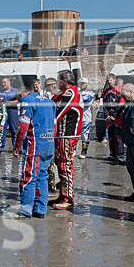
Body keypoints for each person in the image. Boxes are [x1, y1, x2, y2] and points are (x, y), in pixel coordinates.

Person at [12, 81, 55, 219]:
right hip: (49, 142)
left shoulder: (27, 101)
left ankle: (25, 210)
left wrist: (17, 146)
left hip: (36, 144)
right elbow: (54, 125)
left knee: (29, 176)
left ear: (21, 94)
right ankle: (40, 209)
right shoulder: (50, 102)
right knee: (42, 176)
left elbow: (23, 126)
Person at [50, 70, 82, 210]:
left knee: (66, 165)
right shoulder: (63, 94)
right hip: (61, 135)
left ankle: (68, 198)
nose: (57, 83)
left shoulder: (71, 93)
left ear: (64, 81)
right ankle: (62, 195)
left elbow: (58, 112)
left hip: (68, 135)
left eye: (58, 80)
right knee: (60, 165)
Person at [102, 74, 125, 162]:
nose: (109, 82)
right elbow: (104, 105)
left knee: (118, 136)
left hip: (118, 116)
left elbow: (121, 104)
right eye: (108, 80)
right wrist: (107, 116)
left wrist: (114, 115)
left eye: (110, 80)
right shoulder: (106, 91)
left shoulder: (119, 90)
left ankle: (121, 155)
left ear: (114, 80)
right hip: (109, 117)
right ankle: (112, 154)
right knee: (111, 136)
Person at [0, 77, 20, 151]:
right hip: (3, 111)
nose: (3, 84)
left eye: (4, 82)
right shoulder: (0, 91)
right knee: (2, 129)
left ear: (9, 82)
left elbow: (19, 100)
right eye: (2, 82)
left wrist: (9, 102)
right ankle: (1, 147)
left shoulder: (15, 91)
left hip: (12, 111)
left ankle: (16, 147)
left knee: (14, 130)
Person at [78, 78, 96, 158]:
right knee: (76, 133)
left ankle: (84, 151)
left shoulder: (91, 93)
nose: (81, 85)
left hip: (86, 117)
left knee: (85, 134)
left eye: (83, 83)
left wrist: (79, 101)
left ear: (86, 84)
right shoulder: (77, 92)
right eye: (80, 83)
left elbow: (88, 102)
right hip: (78, 116)